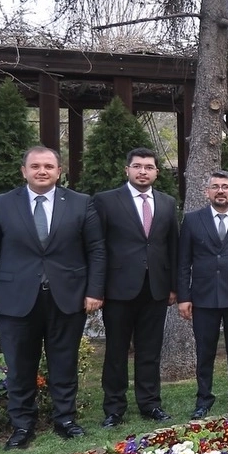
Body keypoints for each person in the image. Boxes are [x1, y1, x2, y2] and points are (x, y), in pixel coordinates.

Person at [0, 146, 105, 449]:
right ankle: (22, 426)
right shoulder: (1, 205)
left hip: (66, 298)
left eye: (48, 166)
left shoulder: (81, 203)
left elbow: (96, 250)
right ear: (24, 171)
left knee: (64, 363)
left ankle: (65, 420)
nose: (42, 171)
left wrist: (94, 291)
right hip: (15, 300)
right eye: (35, 166)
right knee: (20, 367)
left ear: (59, 171)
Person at [94, 147, 178, 427]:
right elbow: (98, 247)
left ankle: (150, 404)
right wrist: (97, 288)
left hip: (155, 288)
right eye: (138, 166)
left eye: (149, 167)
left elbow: (172, 247)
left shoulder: (167, 203)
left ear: (156, 172)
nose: (143, 171)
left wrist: (174, 286)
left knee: (150, 351)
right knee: (116, 351)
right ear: (127, 170)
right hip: (118, 289)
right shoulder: (106, 201)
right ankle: (114, 408)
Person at [176, 170, 228, 418]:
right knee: (205, 352)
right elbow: (183, 262)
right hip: (203, 297)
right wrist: (184, 297)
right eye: (215, 187)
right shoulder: (192, 220)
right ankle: (203, 400)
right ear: (207, 192)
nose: (220, 191)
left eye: (225, 187)